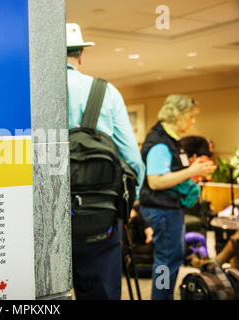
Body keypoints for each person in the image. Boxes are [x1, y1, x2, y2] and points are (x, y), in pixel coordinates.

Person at [67, 23, 145, 300]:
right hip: (100, 218)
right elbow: (132, 160)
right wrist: (128, 204)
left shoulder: (28, 88)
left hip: (42, 219)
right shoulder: (105, 92)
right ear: (80, 56)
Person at [139, 94, 216, 300]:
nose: (193, 121)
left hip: (168, 209)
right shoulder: (160, 143)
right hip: (161, 210)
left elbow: (171, 175)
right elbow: (156, 181)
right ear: (178, 115)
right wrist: (192, 171)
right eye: (190, 116)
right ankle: (161, 297)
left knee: (171, 258)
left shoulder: (170, 140)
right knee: (166, 261)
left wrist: (193, 171)